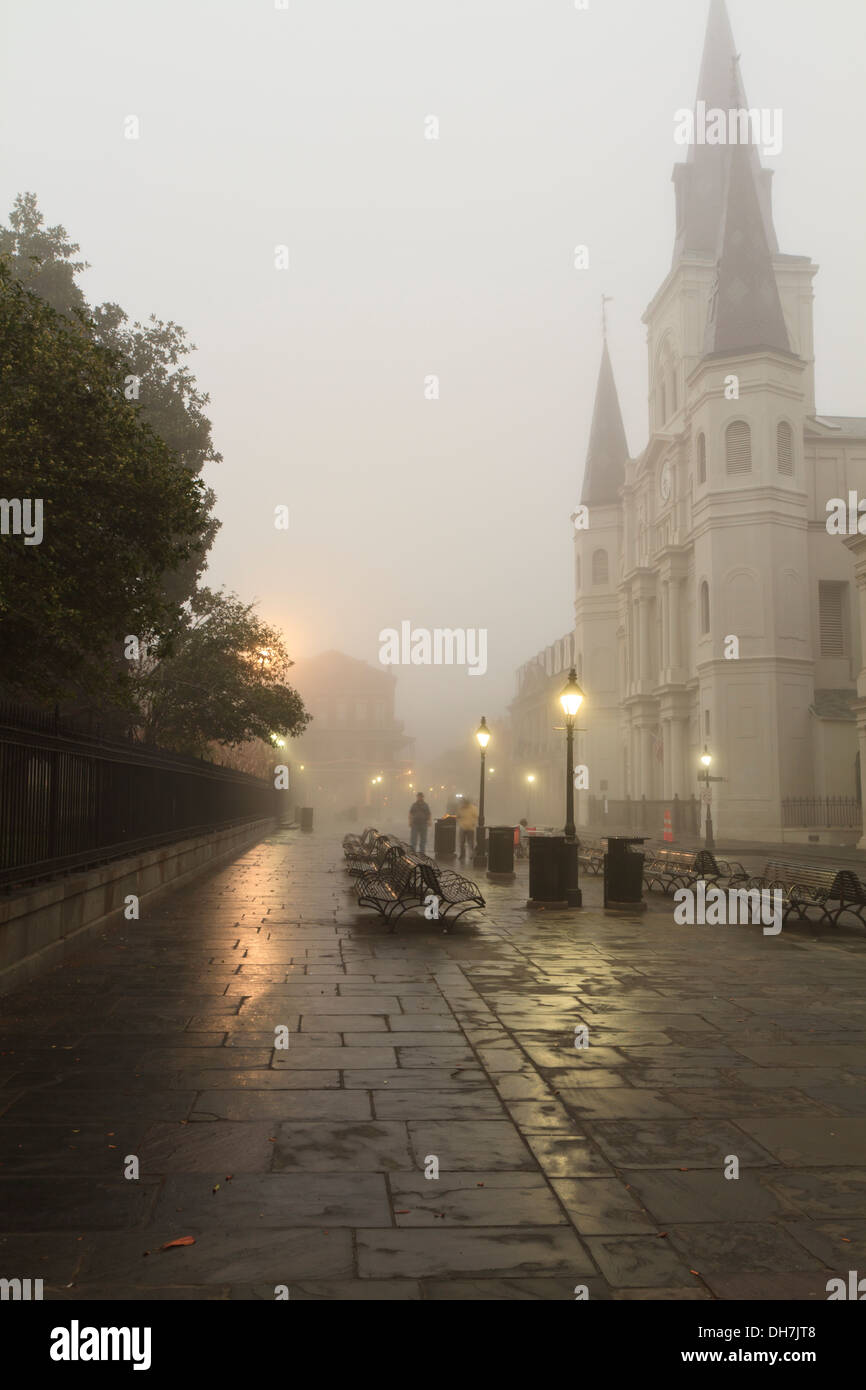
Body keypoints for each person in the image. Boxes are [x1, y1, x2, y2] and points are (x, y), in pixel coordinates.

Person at [457, 797, 479, 862]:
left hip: (470, 828)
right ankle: (462, 854)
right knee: (461, 842)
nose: (463, 804)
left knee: (470, 842)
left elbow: (476, 817)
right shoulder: (460, 808)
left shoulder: (473, 808)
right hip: (463, 827)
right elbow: (458, 816)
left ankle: (471, 855)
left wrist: (473, 823)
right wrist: (460, 823)